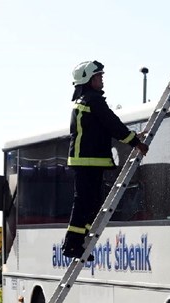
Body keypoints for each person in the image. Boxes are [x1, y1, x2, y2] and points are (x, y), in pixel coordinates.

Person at [62, 60, 149, 259]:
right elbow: (112, 123)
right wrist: (136, 142)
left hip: (87, 161)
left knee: (91, 203)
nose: (102, 79)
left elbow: (104, 127)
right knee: (85, 203)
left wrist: (135, 135)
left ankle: (78, 242)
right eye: (98, 76)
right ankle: (71, 245)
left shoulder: (85, 101)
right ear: (87, 79)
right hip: (88, 161)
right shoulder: (93, 100)